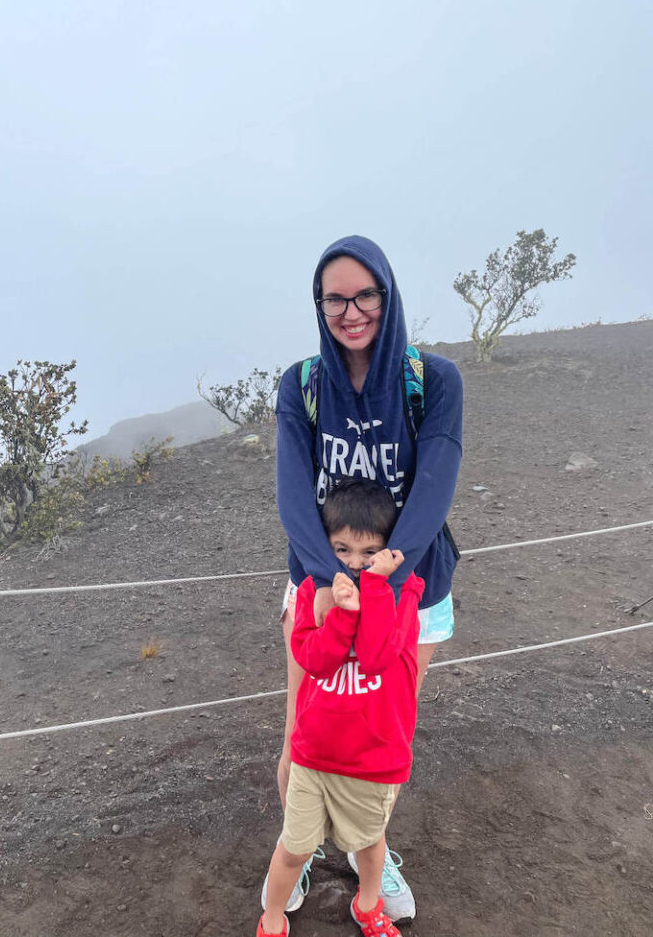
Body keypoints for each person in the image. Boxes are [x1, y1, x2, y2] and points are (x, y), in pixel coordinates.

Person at [272, 235, 463, 920]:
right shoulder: (302, 385)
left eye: (365, 295)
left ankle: (369, 859)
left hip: (412, 593)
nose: (351, 311)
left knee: (380, 741)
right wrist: (330, 581)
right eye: (335, 298)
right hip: (322, 593)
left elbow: (435, 484)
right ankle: (291, 853)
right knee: (302, 733)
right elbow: (294, 494)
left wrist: (383, 574)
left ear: (387, 293)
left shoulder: (434, 381)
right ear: (318, 304)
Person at [257, 478, 425, 937]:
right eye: (342, 549)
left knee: (371, 845)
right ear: (325, 546)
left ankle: (367, 905)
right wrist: (344, 612)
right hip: (314, 757)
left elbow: (375, 655)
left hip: (372, 762)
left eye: (369, 552)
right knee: (293, 847)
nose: (353, 562)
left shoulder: (405, 595)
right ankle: (271, 920)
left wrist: (371, 589)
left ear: (389, 549)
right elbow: (313, 659)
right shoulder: (315, 592)